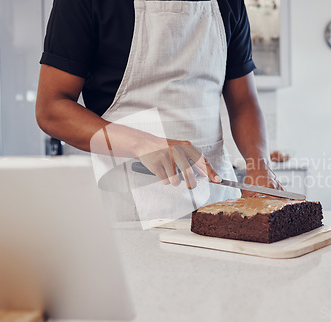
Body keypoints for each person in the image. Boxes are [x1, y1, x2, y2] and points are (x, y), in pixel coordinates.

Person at [36, 0, 284, 221]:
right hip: (127, 204)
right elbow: (51, 109)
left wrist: (258, 165)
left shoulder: (231, 4)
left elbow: (244, 102)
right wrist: (143, 143)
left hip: (217, 201)